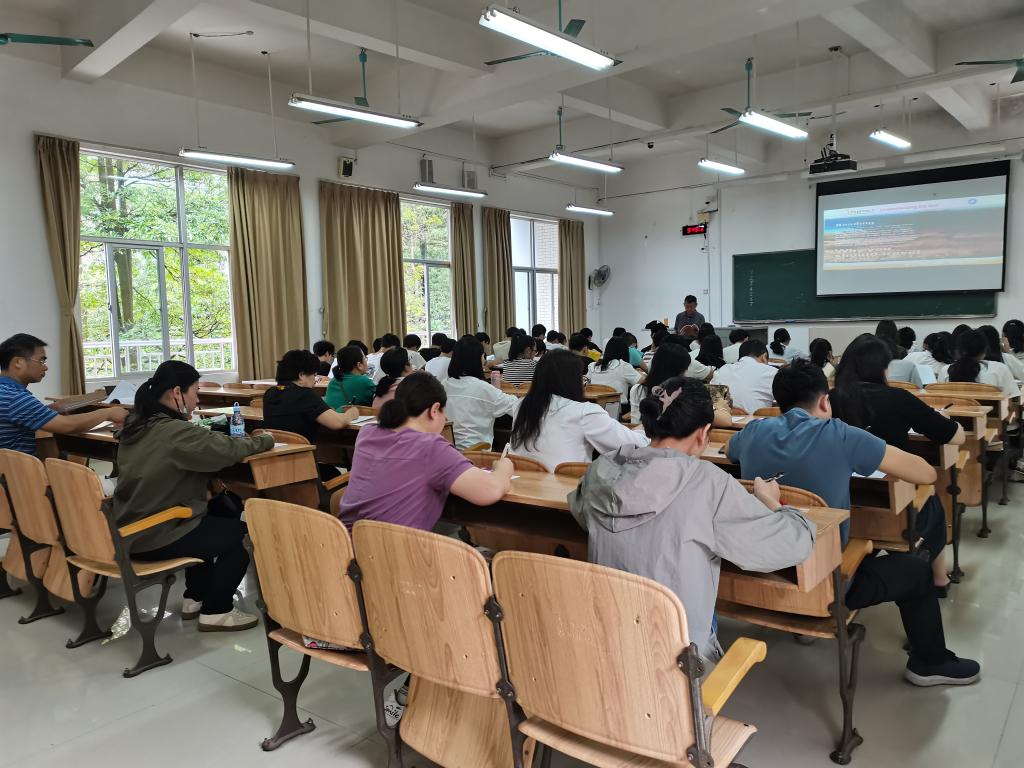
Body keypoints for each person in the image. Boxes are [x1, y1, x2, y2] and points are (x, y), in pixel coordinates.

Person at [727, 359, 980, 685]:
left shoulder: (753, 431)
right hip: (823, 585)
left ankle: (802, 624)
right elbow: (926, 474)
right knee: (915, 570)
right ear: (824, 401)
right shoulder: (841, 435)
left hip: (763, 573)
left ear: (779, 401)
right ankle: (929, 663)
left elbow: (731, 452)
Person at [571, 376, 814, 660]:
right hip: (677, 657)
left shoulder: (601, 469)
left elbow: (580, 512)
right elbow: (793, 543)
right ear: (703, 433)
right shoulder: (709, 483)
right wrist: (773, 502)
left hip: (607, 639)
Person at [115, 360, 273, 631]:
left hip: (132, 530)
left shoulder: (136, 427)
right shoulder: (174, 431)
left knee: (210, 518)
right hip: (156, 533)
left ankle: (194, 598)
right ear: (177, 392)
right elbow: (228, 450)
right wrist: (265, 439)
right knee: (242, 535)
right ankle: (216, 610)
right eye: (195, 391)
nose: (197, 399)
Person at [830, 337, 964, 592]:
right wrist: (947, 419)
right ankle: (939, 579)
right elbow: (953, 436)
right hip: (894, 503)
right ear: (882, 368)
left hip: (842, 499)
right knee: (932, 501)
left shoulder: (829, 399)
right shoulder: (897, 398)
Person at [340, 372, 514, 531]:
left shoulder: (367, 433)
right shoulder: (431, 447)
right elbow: (490, 490)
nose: (446, 418)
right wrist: (504, 467)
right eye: (444, 411)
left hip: (344, 546)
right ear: (434, 410)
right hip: (392, 550)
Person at [510, 350, 648, 471]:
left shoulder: (521, 405)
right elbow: (637, 445)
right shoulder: (584, 412)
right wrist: (643, 429)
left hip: (521, 483)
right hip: (568, 487)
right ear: (571, 380)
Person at [0, 333, 128, 455]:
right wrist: (108, 413)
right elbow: (69, 425)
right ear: (18, 362)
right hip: (14, 470)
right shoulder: (15, 398)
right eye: (41, 361)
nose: (45, 367)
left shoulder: (6, 393)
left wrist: (48, 411)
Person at [263, 350, 359, 480]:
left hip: (275, 468)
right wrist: (352, 413)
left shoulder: (270, 394)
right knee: (333, 473)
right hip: (302, 469)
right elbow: (337, 423)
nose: (315, 381)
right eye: (314, 375)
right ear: (301, 375)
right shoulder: (305, 394)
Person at [442, 337, 520, 450]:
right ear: (478, 359)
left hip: (448, 450)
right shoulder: (483, 388)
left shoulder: (443, 384)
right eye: (483, 356)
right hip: (476, 452)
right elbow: (516, 407)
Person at [944, 328, 1021, 397]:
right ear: (985, 350)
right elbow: (1013, 400)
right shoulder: (1000, 369)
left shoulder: (945, 371)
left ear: (958, 351)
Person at [710, 339, 778, 414]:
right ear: (764, 357)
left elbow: (713, 401)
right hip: (757, 420)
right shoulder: (772, 372)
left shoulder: (721, 371)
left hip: (721, 419)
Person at [586, 337, 642, 405]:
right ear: (624, 351)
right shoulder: (622, 366)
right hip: (618, 408)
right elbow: (642, 380)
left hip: (595, 407)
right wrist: (637, 372)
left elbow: (586, 384)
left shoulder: (593, 366)